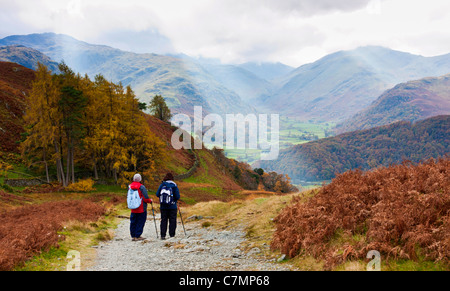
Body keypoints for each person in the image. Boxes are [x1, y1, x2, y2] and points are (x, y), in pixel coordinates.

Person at [156, 173, 180, 240]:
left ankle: (163, 235)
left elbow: (157, 194)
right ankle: (172, 235)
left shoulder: (162, 185)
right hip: (172, 206)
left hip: (163, 206)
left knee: (164, 220)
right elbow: (177, 196)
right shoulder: (174, 185)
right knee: (172, 220)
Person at [129, 173, 153, 241]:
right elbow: (145, 198)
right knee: (141, 221)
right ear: (140, 179)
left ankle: (133, 235)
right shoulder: (141, 187)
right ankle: (138, 235)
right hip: (141, 208)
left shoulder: (130, 186)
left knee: (133, 221)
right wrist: (150, 201)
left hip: (133, 207)